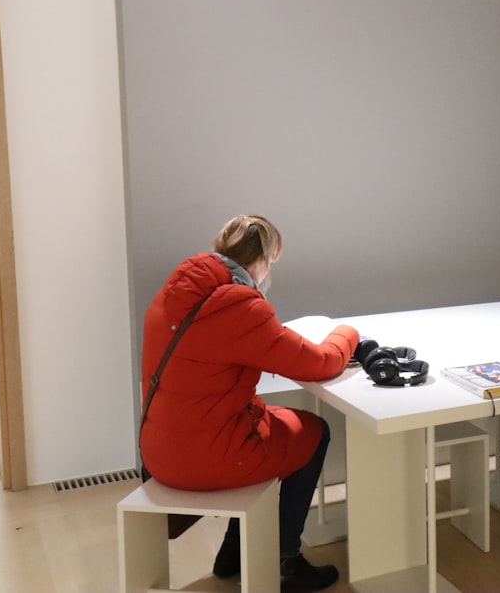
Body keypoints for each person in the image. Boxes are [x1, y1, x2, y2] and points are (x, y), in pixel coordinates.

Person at [139, 213, 359, 592]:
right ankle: (285, 561)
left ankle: (232, 553)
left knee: (271, 425)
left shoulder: (176, 293)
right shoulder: (238, 308)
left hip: (156, 453)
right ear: (263, 259)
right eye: (272, 263)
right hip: (209, 458)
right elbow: (320, 363)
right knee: (311, 432)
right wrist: (348, 331)